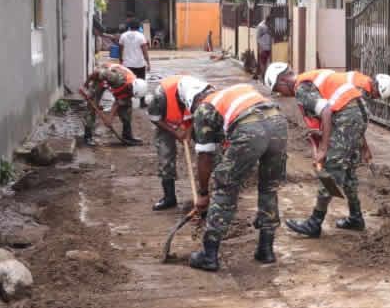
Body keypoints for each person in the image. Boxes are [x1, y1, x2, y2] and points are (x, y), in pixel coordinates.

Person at [265, 64, 390, 237]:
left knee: (331, 170)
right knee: (348, 171)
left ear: (282, 81)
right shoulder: (310, 78)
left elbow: (326, 111)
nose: (280, 93)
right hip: (355, 115)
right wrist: (363, 146)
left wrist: (323, 149)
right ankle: (356, 217)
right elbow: (344, 110)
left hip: (347, 117)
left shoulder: (301, 88)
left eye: (277, 89)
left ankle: (314, 223)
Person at [187, 82, 288, 271]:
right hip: (278, 123)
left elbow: (205, 156)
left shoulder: (204, 108)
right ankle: (266, 250)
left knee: (225, 186)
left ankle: (209, 256)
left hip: (250, 128)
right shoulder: (234, 93)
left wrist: (203, 193)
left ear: (195, 102)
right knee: (269, 187)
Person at [145, 75, 213, 211]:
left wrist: (188, 133)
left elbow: (195, 117)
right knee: (165, 155)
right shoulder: (159, 96)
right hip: (165, 123)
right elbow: (155, 118)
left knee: (207, 148)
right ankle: (169, 197)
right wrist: (175, 133)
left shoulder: (201, 93)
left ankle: (207, 194)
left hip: (191, 121)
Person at [81, 62, 146, 146]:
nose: (131, 95)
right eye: (131, 92)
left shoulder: (133, 87)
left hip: (116, 83)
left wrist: (109, 119)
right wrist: (86, 85)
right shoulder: (115, 77)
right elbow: (96, 73)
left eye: (132, 94)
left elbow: (118, 102)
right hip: (100, 79)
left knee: (126, 107)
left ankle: (127, 136)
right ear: (131, 86)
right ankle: (88, 136)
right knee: (92, 106)